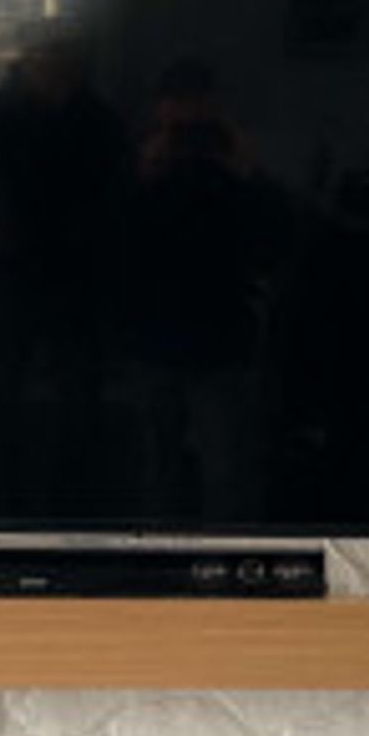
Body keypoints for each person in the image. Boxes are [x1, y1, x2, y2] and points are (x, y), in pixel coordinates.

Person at [0, 19, 132, 515]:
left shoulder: (100, 121)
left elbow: (124, 194)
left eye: (67, 55)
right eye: (49, 56)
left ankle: (69, 511)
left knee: (77, 403)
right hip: (16, 276)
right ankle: (6, 508)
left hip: (76, 280)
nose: (59, 65)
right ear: (27, 60)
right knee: (6, 400)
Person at [126, 59, 291, 522]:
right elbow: (111, 240)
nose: (188, 116)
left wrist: (249, 173)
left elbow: (279, 236)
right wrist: (141, 177)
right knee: (161, 464)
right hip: (157, 333)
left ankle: (224, 562)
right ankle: (157, 558)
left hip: (218, 336)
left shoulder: (234, 169)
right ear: (159, 109)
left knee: (225, 468)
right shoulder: (142, 166)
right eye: (177, 103)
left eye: (198, 103)